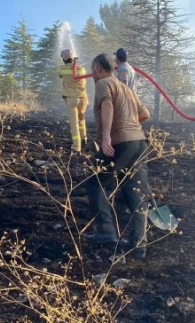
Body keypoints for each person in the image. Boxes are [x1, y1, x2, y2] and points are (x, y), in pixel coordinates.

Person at [84, 53, 150, 259]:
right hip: (139, 143)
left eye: (92, 69)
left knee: (93, 181)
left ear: (97, 67)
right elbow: (145, 114)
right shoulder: (127, 89)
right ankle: (139, 245)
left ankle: (107, 231)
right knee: (133, 190)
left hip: (121, 142)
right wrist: (130, 124)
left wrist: (106, 137)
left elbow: (108, 105)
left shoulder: (104, 83)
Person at [58, 49, 88, 152]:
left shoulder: (63, 69)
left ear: (63, 59)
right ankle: (84, 139)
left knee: (74, 123)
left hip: (71, 99)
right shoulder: (81, 69)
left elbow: (60, 75)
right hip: (83, 99)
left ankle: (76, 146)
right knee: (81, 119)